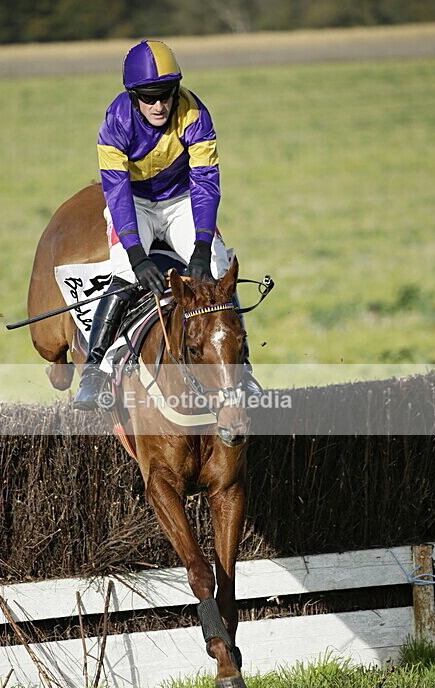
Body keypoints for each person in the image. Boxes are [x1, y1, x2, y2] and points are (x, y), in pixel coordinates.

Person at [73, 39, 254, 410]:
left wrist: (201, 246)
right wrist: (138, 256)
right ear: (134, 96)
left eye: (166, 95)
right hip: (134, 202)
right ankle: (94, 370)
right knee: (126, 272)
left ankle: (244, 369)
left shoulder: (195, 114)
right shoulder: (115, 122)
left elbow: (205, 183)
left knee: (217, 267)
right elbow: (117, 193)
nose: (159, 106)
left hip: (181, 201)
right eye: (149, 98)